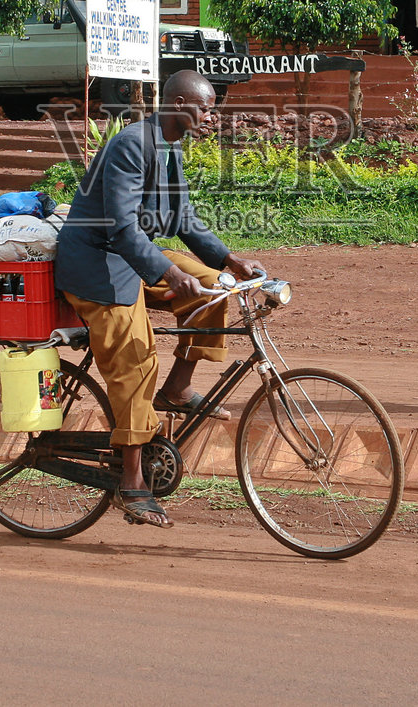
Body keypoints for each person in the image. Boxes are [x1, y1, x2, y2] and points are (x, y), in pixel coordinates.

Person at [55, 70, 262, 529]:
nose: (211, 117)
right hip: (97, 265)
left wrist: (230, 261)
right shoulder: (132, 144)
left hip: (134, 258)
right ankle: (131, 482)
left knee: (213, 288)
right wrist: (169, 272)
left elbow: (183, 218)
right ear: (180, 104)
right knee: (136, 360)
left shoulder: (170, 147)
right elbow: (121, 229)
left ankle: (177, 388)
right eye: (206, 108)